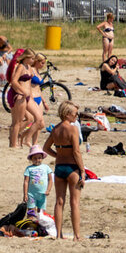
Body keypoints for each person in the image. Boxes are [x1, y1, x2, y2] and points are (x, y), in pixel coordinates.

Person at [42, 101, 85, 241]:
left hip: (59, 167)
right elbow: (77, 152)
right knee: (74, 202)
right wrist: (83, 171)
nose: (76, 116)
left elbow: (45, 148)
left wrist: (58, 155)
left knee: (59, 202)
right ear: (67, 114)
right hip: (72, 168)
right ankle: (76, 236)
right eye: (75, 114)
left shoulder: (55, 129)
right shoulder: (73, 129)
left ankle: (59, 234)